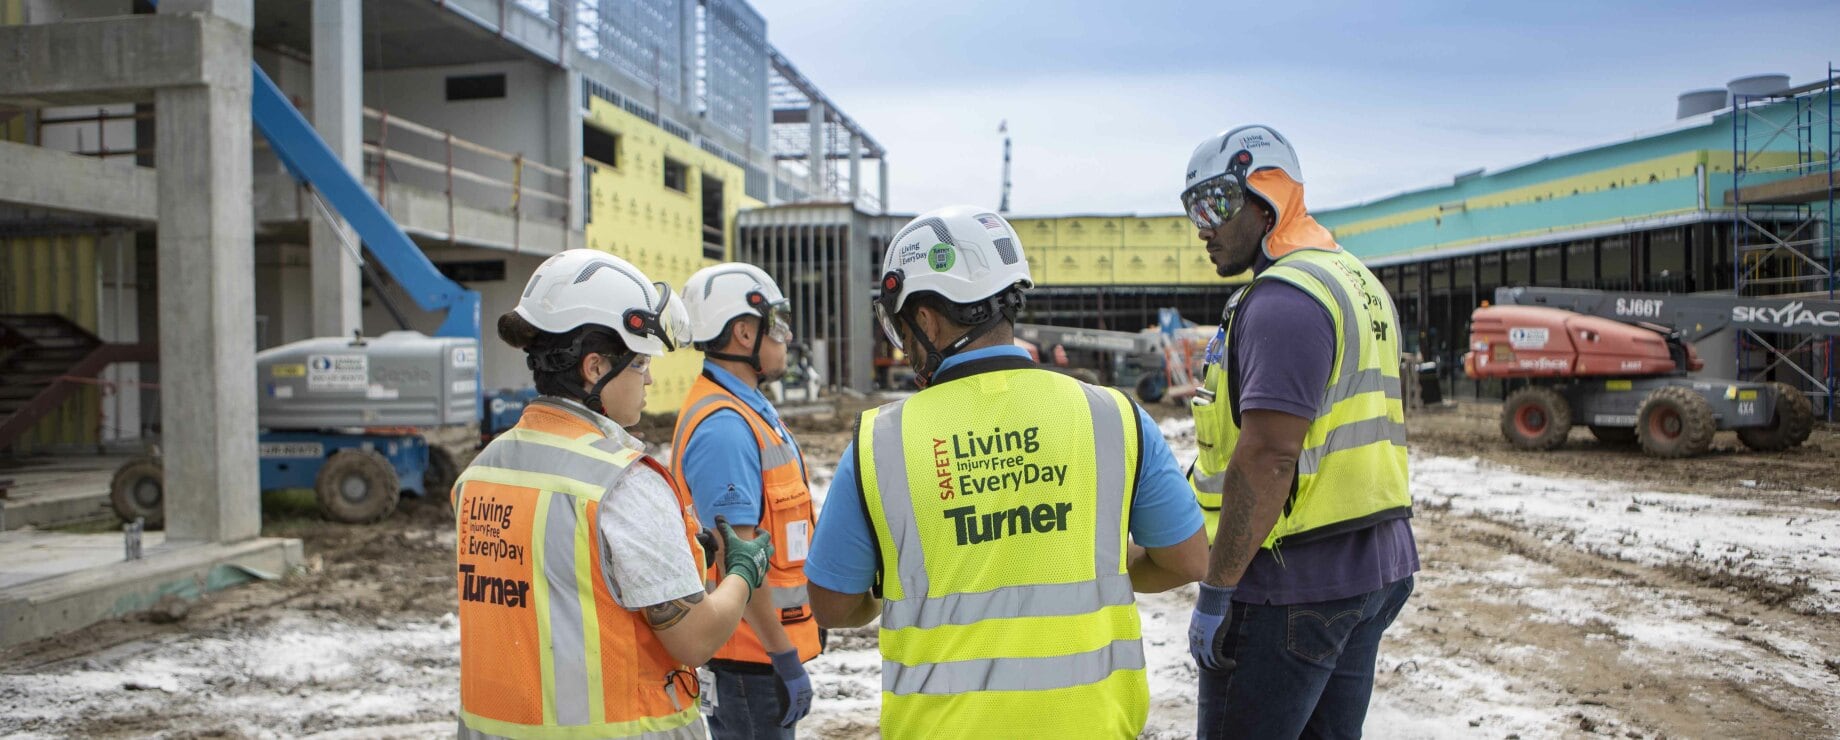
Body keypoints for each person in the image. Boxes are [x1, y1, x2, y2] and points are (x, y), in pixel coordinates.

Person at [803, 205, 1211, 739]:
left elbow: (831, 604)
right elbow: (1187, 559)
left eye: (903, 326)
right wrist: (1083, 561)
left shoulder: (880, 441)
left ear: (926, 320)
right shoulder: (1113, 415)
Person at [453, 249, 775, 740]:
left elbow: (558, 588)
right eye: (640, 361)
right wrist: (742, 573)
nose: (648, 378)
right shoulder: (622, 483)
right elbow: (695, 639)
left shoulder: (481, 472)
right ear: (595, 367)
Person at [1178, 125, 1419, 738]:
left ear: (1266, 200)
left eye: (1214, 204)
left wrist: (1218, 590)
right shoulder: (1357, 282)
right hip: (1373, 564)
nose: (1202, 227)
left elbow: (1268, 457)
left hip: (1290, 584)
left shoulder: (1285, 299)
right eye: (1193, 210)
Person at [671, 263, 820, 738]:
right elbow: (742, 560)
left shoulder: (746, 406)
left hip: (758, 653)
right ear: (742, 331)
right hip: (750, 660)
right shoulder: (725, 429)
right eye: (776, 324)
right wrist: (783, 656)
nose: (786, 335)